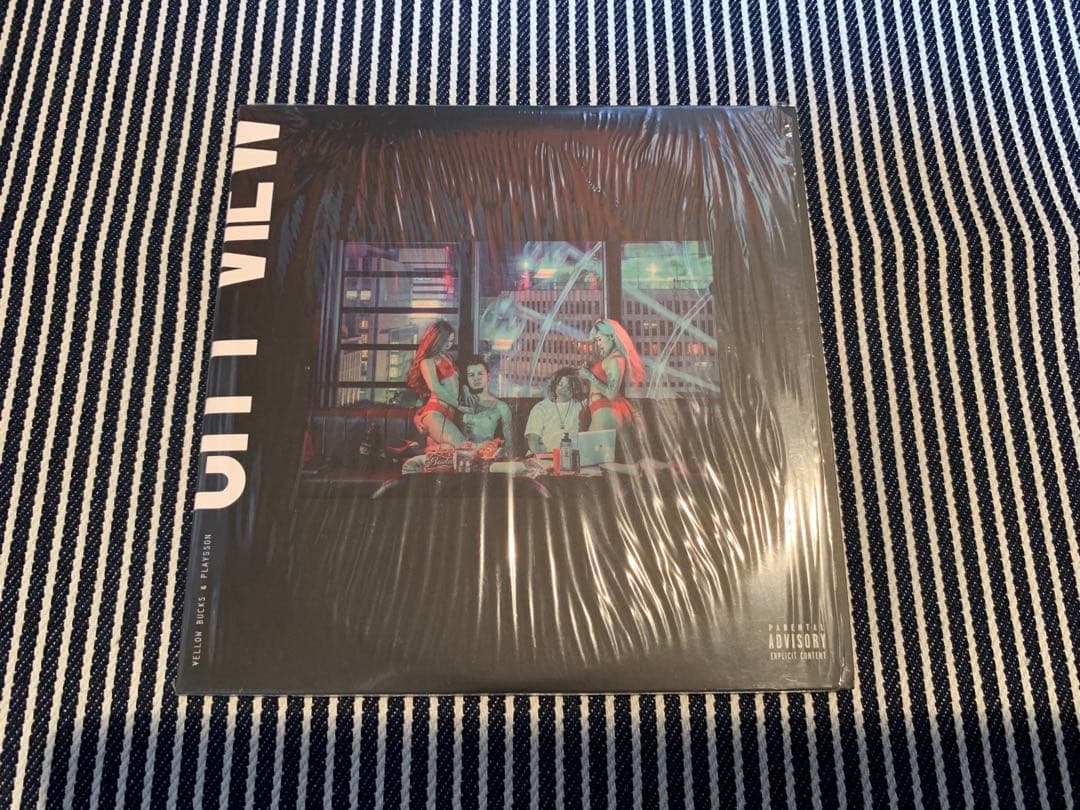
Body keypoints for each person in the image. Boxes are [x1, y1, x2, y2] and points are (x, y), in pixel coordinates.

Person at [406, 320, 475, 449]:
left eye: (451, 341)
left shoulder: (447, 358)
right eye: (446, 341)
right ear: (437, 340)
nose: (449, 345)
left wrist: (464, 388)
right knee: (464, 447)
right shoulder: (428, 361)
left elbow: (454, 383)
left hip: (448, 414)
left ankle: (423, 450)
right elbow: (435, 388)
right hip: (435, 412)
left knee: (444, 454)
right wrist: (459, 406)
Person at [578, 318, 645, 434]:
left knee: (588, 445)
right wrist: (590, 371)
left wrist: (589, 376)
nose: (598, 344)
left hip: (605, 411)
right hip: (603, 410)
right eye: (596, 341)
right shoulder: (611, 358)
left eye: (600, 339)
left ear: (611, 337)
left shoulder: (615, 359)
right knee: (588, 445)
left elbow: (611, 394)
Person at [525, 367, 586, 455]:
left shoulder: (580, 406)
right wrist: (543, 456)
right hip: (547, 457)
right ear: (555, 385)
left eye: (569, 385)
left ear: (575, 388)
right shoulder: (541, 408)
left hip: (574, 457)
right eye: (561, 384)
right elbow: (533, 441)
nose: (564, 388)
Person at [459, 355, 513, 449]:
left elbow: (509, 444)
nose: (476, 378)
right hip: (462, 454)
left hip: (488, 454)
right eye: (471, 375)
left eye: (480, 374)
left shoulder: (501, 407)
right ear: (467, 379)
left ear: (488, 376)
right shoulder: (460, 404)